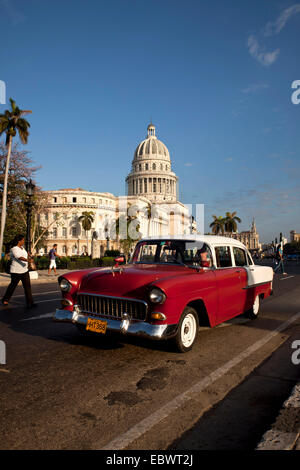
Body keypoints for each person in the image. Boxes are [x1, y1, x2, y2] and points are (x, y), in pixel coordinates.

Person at [1, 234, 36, 308]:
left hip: (24, 270)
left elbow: (24, 254)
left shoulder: (22, 248)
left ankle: (30, 302)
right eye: (22, 240)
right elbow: (19, 257)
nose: (24, 241)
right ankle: (5, 299)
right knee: (12, 286)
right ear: (19, 241)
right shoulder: (14, 249)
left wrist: (29, 255)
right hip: (16, 271)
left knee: (27, 287)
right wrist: (28, 260)